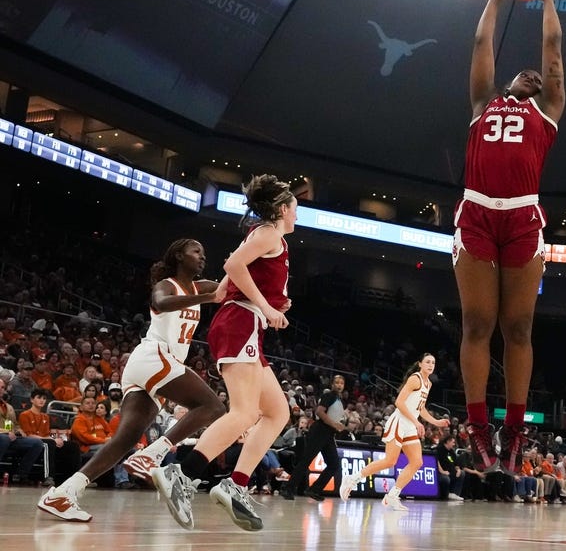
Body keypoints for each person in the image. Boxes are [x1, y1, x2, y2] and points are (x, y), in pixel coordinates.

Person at [454, 0, 564, 475]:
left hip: (522, 218)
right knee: (478, 323)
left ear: (542, 90)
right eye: (521, 72)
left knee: (517, 328)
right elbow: (481, 47)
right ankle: (477, 428)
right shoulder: (483, 103)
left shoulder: (547, 112)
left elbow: (554, 51)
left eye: (536, 75)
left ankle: (514, 433)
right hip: (476, 211)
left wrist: (547, 0)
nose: (530, 71)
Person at [38, 239, 227, 523]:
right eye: (196, 251)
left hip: (150, 366)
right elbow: (161, 304)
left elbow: (231, 285)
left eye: (204, 252)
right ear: (178, 255)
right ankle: (153, 454)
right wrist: (208, 299)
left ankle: (63, 494)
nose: (202, 257)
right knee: (214, 407)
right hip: (155, 356)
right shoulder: (167, 285)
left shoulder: (201, 287)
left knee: (124, 439)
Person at [152, 175, 295, 532]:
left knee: (277, 412)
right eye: (295, 207)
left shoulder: (267, 237)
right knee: (245, 411)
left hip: (247, 322)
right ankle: (181, 474)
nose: (297, 214)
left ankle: (237, 483)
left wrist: (274, 302)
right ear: (282, 209)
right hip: (240, 322)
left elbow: (232, 281)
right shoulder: (269, 233)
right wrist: (264, 304)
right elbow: (232, 267)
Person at [339, 354, 450, 509]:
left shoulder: (428, 383)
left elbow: (421, 408)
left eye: (433, 362)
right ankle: (352, 479)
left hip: (410, 424)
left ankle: (392, 495)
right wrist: (417, 422)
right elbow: (399, 402)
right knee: (390, 461)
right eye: (427, 362)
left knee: (417, 462)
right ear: (420, 364)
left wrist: (436, 422)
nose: (431, 365)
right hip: (399, 422)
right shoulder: (415, 379)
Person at [282, 374, 347, 501]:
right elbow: (319, 412)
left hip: (328, 434)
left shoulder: (339, 400)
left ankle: (314, 489)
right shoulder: (329, 396)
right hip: (319, 431)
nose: (339, 385)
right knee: (306, 460)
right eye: (337, 382)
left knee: (334, 464)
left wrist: (339, 426)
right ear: (332, 384)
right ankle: (288, 488)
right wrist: (334, 424)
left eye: (341, 383)